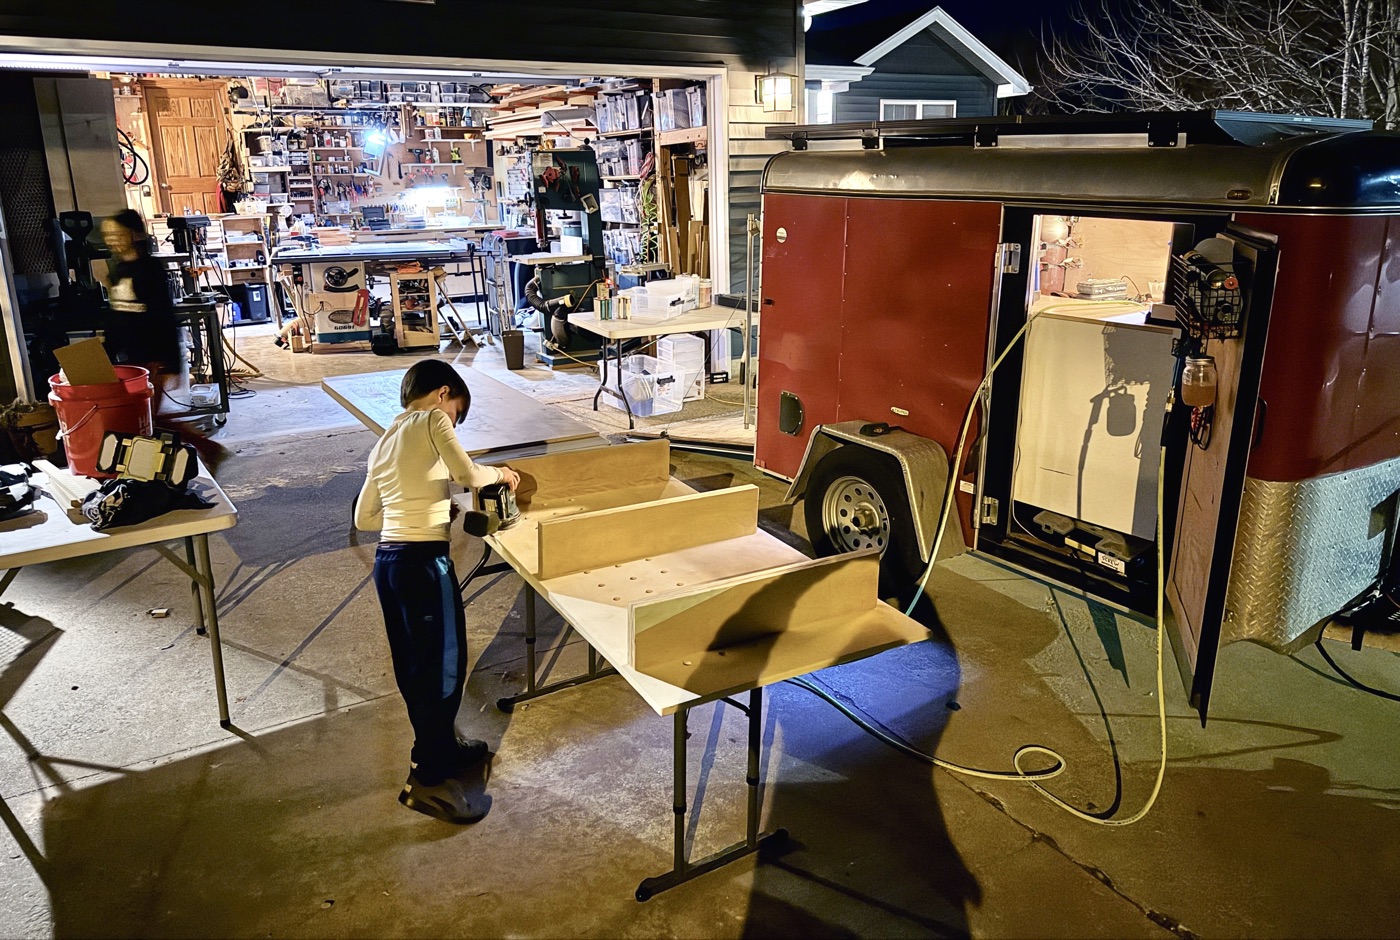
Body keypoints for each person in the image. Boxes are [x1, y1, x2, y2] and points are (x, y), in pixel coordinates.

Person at [354, 359, 521, 824]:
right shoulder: (430, 420)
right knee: (445, 668)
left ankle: (442, 747)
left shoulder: (383, 443)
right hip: (424, 565)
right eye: (456, 415)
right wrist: (503, 474)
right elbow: (468, 474)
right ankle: (427, 778)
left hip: (389, 566)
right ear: (443, 393)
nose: (453, 423)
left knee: (415, 667)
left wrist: (429, 507)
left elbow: (365, 520)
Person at [101, 210, 182, 404]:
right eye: (107, 236)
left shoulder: (150, 269)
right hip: (128, 358)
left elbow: (163, 316)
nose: (112, 241)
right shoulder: (118, 270)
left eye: (117, 235)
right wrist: (106, 354)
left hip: (151, 357)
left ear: (134, 234)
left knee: (146, 416)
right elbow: (118, 315)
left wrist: (172, 363)